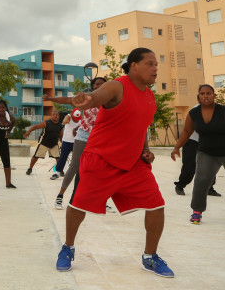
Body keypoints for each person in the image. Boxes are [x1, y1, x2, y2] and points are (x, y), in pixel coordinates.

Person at [55, 48, 173, 278]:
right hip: (101, 160)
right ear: (134, 65)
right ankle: (67, 248)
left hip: (132, 164)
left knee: (156, 205)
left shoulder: (149, 96)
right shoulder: (117, 86)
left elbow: (141, 127)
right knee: (78, 205)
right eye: (150, 63)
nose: (155, 68)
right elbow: (96, 98)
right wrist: (85, 100)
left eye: (156, 64)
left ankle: (150, 256)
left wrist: (145, 150)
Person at [171, 84, 225, 226]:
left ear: (214, 96)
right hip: (207, 152)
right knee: (201, 181)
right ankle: (197, 212)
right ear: (199, 96)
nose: (206, 96)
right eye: (203, 93)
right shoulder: (193, 113)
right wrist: (176, 148)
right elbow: (187, 131)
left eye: (209, 93)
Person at [45, 77, 111, 211]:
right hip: (84, 135)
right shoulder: (87, 99)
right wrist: (50, 98)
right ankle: (60, 196)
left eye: (103, 84)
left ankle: (102, 200)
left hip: (100, 138)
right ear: (92, 87)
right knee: (74, 166)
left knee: (100, 169)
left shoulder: (109, 101)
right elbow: (68, 100)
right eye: (97, 84)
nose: (100, 86)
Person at [171, 104, 220, 197]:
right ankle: (180, 186)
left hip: (207, 141)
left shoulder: (218, 110)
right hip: (191, 140)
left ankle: (209, 188)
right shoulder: (196, 110)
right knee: (190, 165)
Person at [23, 109, 63, 175]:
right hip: (44, 143)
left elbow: (61, 136)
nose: (55, 116)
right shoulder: (46, 123)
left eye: (56, 115)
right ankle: (30, 168)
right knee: (36, 156)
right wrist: (28, 131)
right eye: (53, 115)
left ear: (59, 116)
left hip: (54, 144)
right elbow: (36, 127)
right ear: (51, 116)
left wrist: (62, 144)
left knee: (58, 158)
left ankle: (59, 170)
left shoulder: (60, 126)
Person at [52, 111, 79, 180]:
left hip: (77, 142)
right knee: (63, 157)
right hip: (67, 141)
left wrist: (76, 129)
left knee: (78, 159)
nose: (77, 120)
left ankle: (79, 173)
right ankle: (57, 172)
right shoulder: (68, 116)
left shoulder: (81, 118)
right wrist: (66, 121)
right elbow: (64, 121)